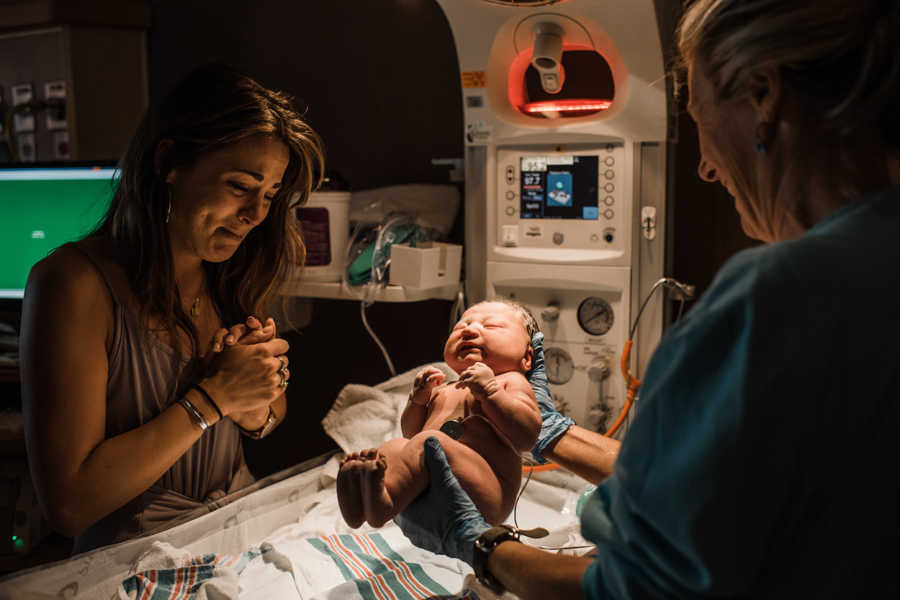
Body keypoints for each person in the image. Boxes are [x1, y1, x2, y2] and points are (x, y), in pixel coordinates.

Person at [393, 1, 900, 598]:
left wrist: (479, 543)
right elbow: (718, 483)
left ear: (764, 95)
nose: (707, 168)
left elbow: (639, 587)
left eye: (703, 121)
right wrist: (551, 433)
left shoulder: (772, 301)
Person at [20, 64, 325, 554]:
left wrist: (255, 398)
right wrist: (213, 399)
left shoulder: (226, 274)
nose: (255, 215)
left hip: (237, 538)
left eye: (269, 195)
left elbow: (268, 415)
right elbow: (68, 503)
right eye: (239, 186)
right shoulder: (74, 284)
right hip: (130, 563)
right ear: (169, 162)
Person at [336, 300, 542, 528]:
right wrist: (417, 401)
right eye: (460, 327)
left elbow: (527, 437)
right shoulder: (443, 389)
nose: (470, 330)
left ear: (527, 358)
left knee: (429, 443)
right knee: (394, 447)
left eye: (491, 326)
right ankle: (358, 503)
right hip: (432, 487)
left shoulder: (510, 382)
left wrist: (491, 392)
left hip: (487, 493)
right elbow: (412, 435)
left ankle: (385, 503)